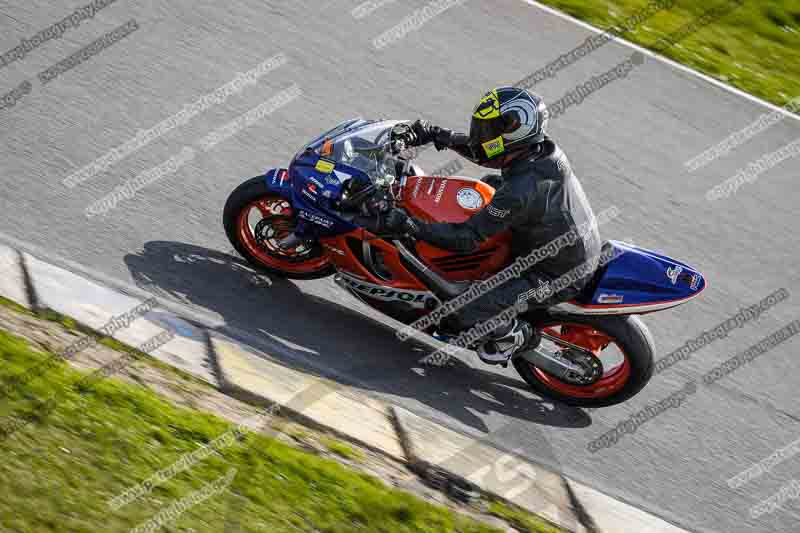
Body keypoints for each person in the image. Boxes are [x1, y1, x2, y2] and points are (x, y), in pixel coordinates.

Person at [384, 87, 601, 365]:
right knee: (485, 185)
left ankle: (517, 335)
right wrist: (439, 135)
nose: (482, 135)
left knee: (461, 315)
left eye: (490, 129)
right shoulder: (537, 149)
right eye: (483, 127)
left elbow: (466, 239)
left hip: (556, 272)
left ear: (514, 131)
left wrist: (407, 225)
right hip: (553, 239)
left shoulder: (522, 188)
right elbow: (486, 152)